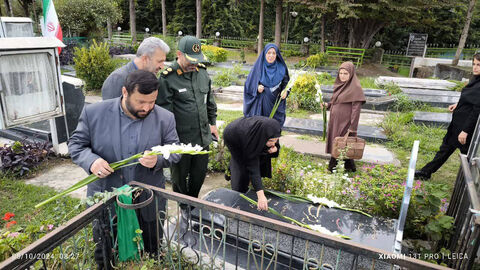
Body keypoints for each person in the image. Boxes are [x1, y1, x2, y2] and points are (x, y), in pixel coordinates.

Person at [69, 70, 181, 268]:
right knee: (106, 250)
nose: (147, 108)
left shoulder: (165, 118)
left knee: (151, 248)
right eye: (141, 102)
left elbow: (175, 150)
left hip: (148, 200)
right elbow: (77, 145)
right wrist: (92, 161)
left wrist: (158, 160)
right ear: (125, 92)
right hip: (106, 197)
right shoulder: (94, 113)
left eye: (152, 102)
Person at [157, 36, 218, 208]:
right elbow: (163, 113)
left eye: (197, 60)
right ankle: (184, 209)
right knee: (179, 180)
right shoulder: (167, 78)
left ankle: (193, 205)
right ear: (179, 54)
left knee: (198, 176)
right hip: (180, 140)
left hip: (202, 139)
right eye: (191, 60)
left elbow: (210, 102)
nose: (194, 64)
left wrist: (212, 123)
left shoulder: (202, 73)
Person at [415, 54, 480, 180]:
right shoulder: (475, 80)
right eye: (474, 64)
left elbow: (477, 110)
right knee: (445, 149)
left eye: (479, 65)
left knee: (467, 159)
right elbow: (470, 100)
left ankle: (471, 185)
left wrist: (465, 131)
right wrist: (458, 104)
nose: (475, 67)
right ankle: (425, 172)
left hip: (465, 128)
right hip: (457, 123)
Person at [223, 116, 281, 211]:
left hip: (249, 132)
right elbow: (253, 166)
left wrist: (276, 147)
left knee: (263, 154)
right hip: (233, 136)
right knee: (242, 164)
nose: (273, 143)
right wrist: (261, 196)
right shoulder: (250, 140)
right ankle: (236, 183)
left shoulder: (271, 130)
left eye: (276, 140)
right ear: (263, 137)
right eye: (271, 141)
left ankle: (245, 177)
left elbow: (274, 141)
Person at [324, 61, 366, 172]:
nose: (342, 76)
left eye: (345, 73)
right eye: (340, 73)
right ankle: (350, 166)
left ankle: (332, 166)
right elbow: (335, 101)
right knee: (342, 142)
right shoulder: (340, 85)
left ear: (351, 74)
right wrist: (327, 105)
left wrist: (352, 127)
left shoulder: (355, 88)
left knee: (339, 142)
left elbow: (356, 110)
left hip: (345, 122)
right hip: (335, 121)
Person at [101, 37, 170, 100]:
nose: (162, 67)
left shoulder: (150, 77)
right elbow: (110, 111)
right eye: (159, 61)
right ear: (145, 58)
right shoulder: (117, 79)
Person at [244, 43, 290, 127]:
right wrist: (256, 88)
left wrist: (286, 91)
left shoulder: (282, 68)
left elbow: (286, 84)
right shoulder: (258, 67)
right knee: (260, 130)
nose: (271, 55)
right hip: (260, 106)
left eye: (274, 53)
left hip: (275, 105)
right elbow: (249, 84)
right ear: (264, 54)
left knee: (273, 131)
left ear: (277, 55)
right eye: (269, 53)